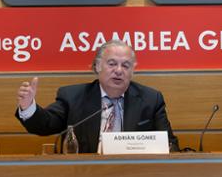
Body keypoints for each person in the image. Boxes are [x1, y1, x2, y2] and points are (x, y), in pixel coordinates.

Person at [16, 40, 179, 153]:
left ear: (132, 71)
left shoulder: (151, 99)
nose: (119, 70)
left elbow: (170, 144)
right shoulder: (73, 97)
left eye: (126, 65)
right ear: (97, 66)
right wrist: (29, 106)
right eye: (112, 63)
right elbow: (45, 125)